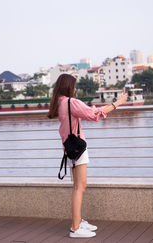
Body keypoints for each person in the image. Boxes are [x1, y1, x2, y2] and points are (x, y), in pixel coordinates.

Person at [47, 74, 127, 238]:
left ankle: (78, 221)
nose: (75, 89)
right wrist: (117, 103)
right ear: (69, 87)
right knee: (80, 187)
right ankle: (75, 228)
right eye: (74, 86)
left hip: (69, 148)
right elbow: (93, 115)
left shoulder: (61, 102)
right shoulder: (71, 102)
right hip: (78, 149)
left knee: (78, 185)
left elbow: (88, 111)